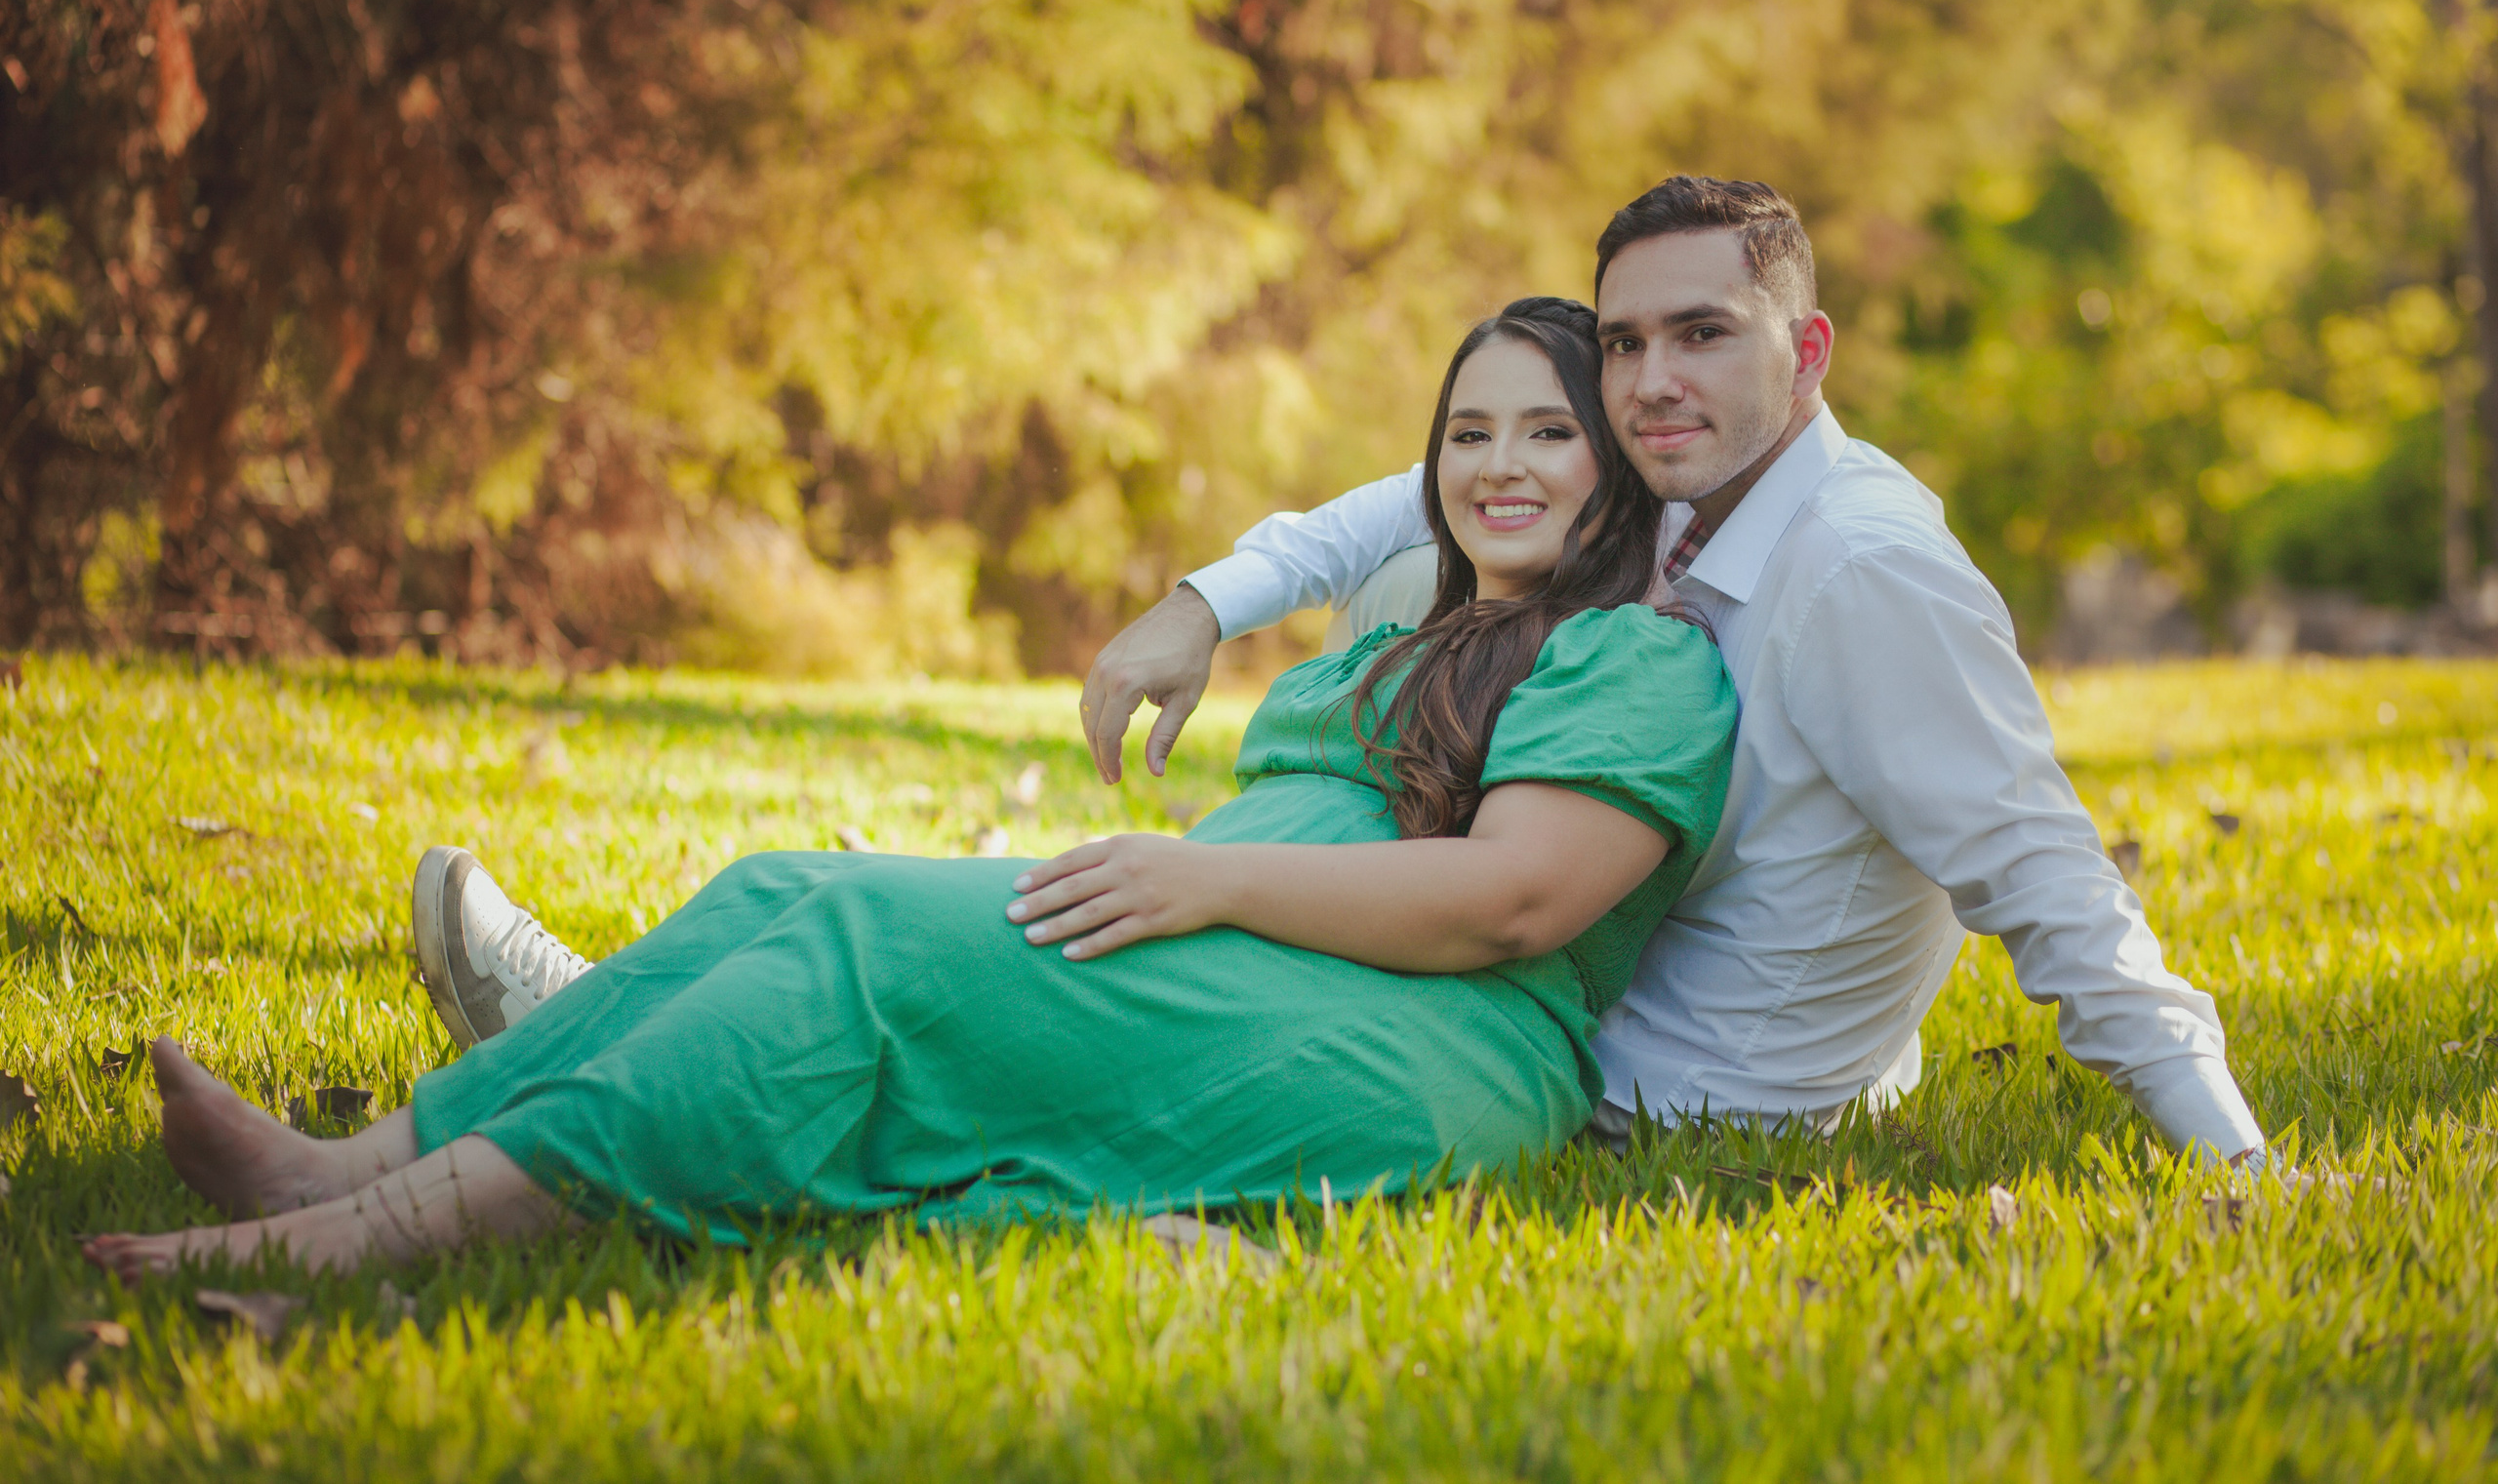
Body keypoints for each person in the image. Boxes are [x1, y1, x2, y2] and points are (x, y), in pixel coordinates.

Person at [84, 297, 1738, 1279]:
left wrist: (1210, 879)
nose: (1499, 465)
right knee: (782, 891)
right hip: (1252, 952)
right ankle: (363, 1157)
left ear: (1617, 463)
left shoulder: (1639, 659)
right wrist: (1205, 829)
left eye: (1550, 433)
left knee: (869, 939)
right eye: (1469, 433)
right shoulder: (1436, 625)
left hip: (1426, 1031)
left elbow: (1517, 898)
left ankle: (365, 1236)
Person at [1085, 176, 2270, 1168]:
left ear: (1805, 353)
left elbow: (2038, 868)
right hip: (1571, 983)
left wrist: (2235, 1156)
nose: (1651, 381)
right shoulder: (1688, 483)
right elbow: (1416, 494)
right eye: (1623, 343)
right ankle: (1279, 881)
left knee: (1149, 1023)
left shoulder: (1863, 574)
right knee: (1438, 554)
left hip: (1676, 1096)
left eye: (1701, 334)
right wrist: (1201, 606)